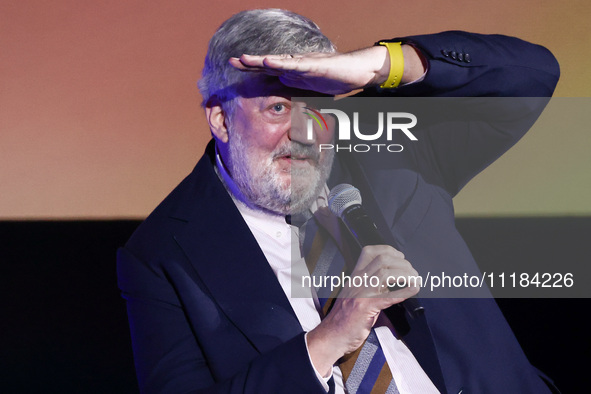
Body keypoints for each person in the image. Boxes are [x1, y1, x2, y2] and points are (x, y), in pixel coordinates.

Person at [117, 8, 560, 394]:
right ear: (221, 119)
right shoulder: (162, 253)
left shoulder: (390, 146)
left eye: (316, 107)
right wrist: (328, 338)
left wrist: (376, 66)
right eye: (278, 109)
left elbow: (532, 75)